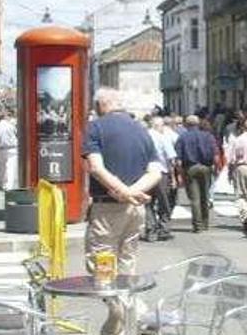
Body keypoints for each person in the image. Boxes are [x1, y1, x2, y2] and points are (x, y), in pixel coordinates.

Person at [82, 88, 162, 335]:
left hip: (107, 209)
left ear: (100, 105)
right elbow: (155, 172)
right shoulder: (141, 129)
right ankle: (124, 321)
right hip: (135, 209)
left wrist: (121, 191)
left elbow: (96, 168)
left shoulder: (96, 127)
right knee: (127, 263)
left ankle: (124, 309)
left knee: (102, 263)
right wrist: (132, 193)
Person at [175, 115, 218, 233]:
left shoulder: (182, 138)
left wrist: (180, 173)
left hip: (190, 168)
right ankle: (205, 223)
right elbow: (215, 154)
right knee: (205, 196)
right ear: (198, 124)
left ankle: (197, 225)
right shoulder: (207, 136)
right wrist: (216, 168)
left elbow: (178, 159)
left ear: (186, 125)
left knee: (195, 198)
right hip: (205, 167)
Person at [144, 117, 177, 241]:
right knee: (164, 202)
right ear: (159, 126)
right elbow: (171, 159)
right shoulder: (162, 138)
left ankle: (150, 230)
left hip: (145, 174)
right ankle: (163, 229)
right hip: (161, 173)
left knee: (148, 203)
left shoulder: (143, 137)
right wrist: (173, 177)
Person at [0, 111, 19, 190]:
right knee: (10, 168)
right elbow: (16, 134)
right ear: (4, 117)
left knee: (1, 167)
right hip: (12, 148)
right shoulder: (11, 125)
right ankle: (8, 186)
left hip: (1, 149)